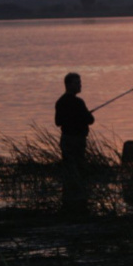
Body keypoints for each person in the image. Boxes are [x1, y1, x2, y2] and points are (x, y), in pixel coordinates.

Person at [55, 72, 95, 214]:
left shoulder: (60, 102)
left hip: (66, 139)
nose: (80, 85)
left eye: (80, 82)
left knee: (69, 168)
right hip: (77, 140)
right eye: (77, 83)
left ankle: (69, 197)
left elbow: (58, 122)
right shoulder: (78, 102)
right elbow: (90, 120)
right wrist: (83, 115)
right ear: (69, 85)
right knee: (79, 167)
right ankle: (78, 197)